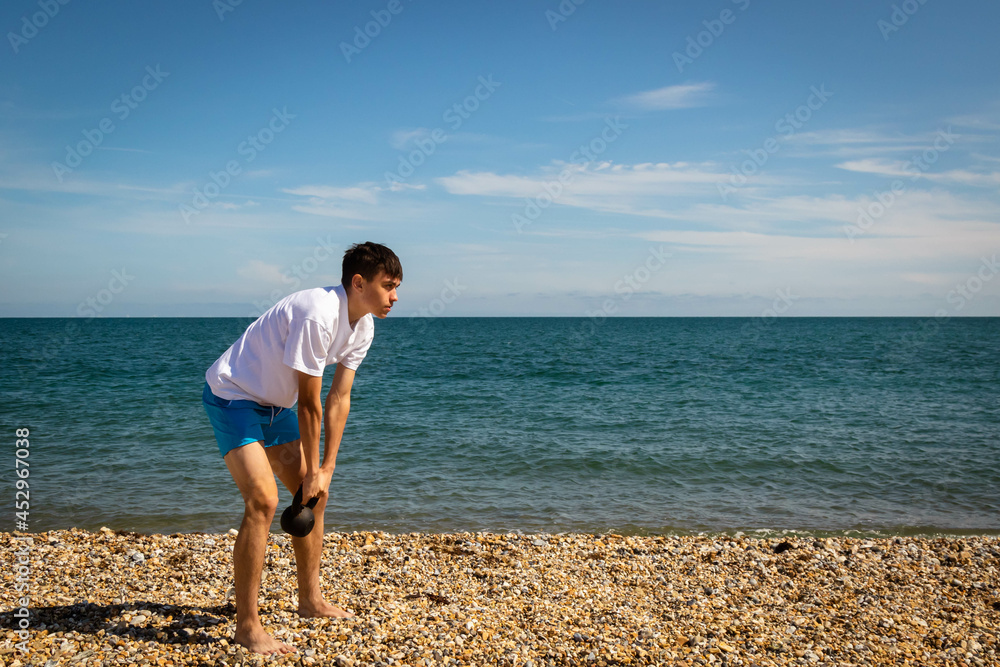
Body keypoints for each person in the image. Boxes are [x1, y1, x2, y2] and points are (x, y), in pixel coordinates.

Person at [201, 242, 401, 655]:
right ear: (359, 282)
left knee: (315, 496)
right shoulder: (317, 314)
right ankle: (247, 627)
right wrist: (311, 469)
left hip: (275, 408)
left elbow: (339, 399)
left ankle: (310, 601)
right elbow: (310, 403)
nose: (395, 297)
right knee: (263, 501)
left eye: (397, 287)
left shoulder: (363, 326)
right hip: (233, 396)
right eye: (388, 286)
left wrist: (324, 469)